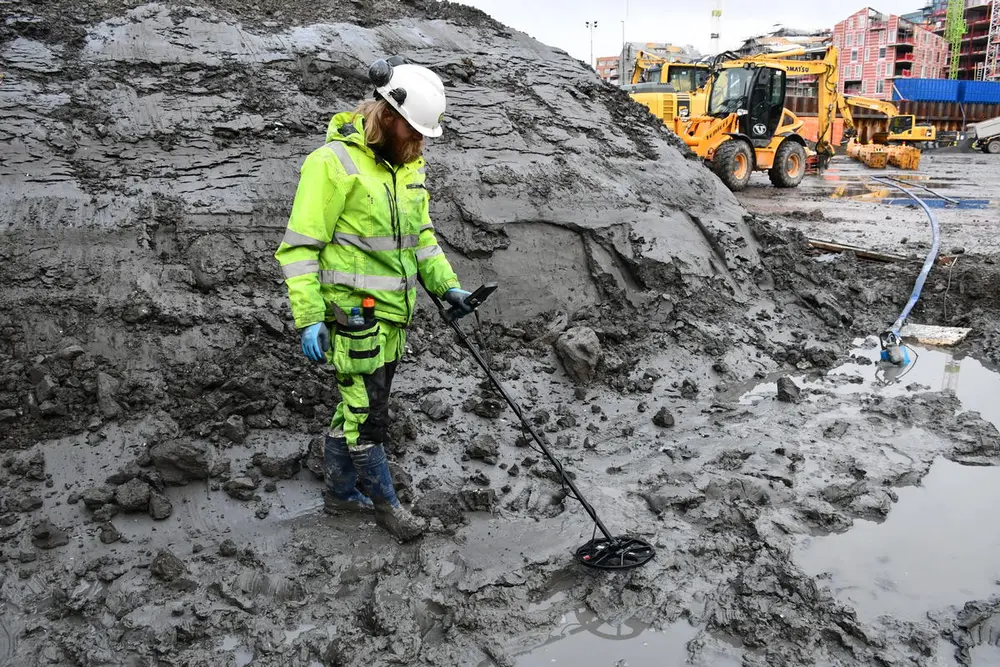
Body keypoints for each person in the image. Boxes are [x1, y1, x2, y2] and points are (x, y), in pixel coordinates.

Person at [274, 57, 473, 543]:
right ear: (387, 114)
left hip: (393, 320)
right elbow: (300, 248)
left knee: (358, 408)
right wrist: (310, 317)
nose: (420, 142)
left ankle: (341, 493)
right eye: (414, 131)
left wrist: (447, 286)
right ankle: (387, 506)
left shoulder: (408, 167)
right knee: (368, 417)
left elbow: (421, 238)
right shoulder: (332, 164)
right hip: (354, 322)